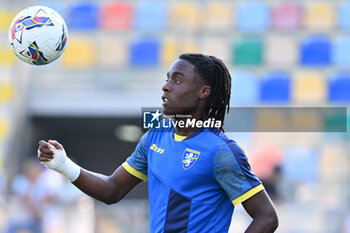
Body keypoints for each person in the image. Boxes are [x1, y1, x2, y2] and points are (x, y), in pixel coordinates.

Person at [38, 53, 278, 232]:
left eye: (177, 80)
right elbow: (112, 189)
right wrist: (63, 164)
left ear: (203, 92)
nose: (165, 87)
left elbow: (266, 217)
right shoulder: (155, 136)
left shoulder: (222, 151)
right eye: (167, 79)